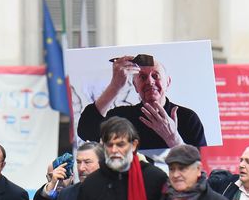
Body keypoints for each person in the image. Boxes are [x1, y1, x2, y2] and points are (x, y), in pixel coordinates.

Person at [76, 54, 206, 151]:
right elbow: (86, 130)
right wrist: (115, 86)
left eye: (155, 76)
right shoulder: (122, 117)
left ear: (168, 82)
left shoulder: (187, 118)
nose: (150, 81)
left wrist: (173, 138)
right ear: (135, 86)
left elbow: (199, 166)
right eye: (143, 77)